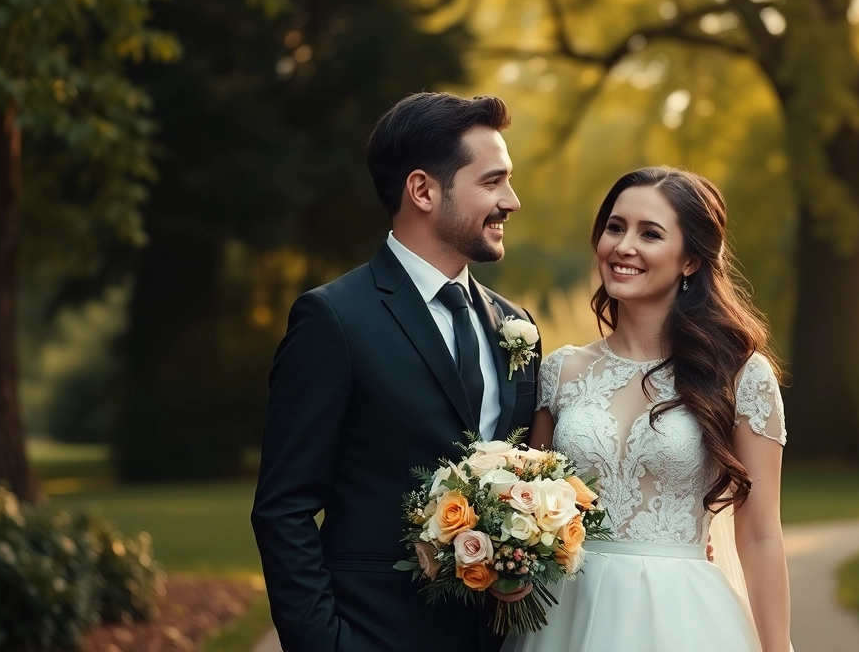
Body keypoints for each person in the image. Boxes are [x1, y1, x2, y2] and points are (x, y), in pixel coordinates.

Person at [252, 92, 540, 652]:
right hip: (375, 634)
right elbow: (283, 508)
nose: (512, 200)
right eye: (492, 181)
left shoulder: (516, 324)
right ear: (423, 190)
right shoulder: (333, 319)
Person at [507, 166, 791, 652]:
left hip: (680, 617)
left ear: (691, 262)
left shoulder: (742, 374)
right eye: (615, 227)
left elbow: (761, 534)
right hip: (565, 614)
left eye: (650, 233)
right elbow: (531, 510)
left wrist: (779, 647)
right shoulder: (560, 371)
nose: (623, 246)